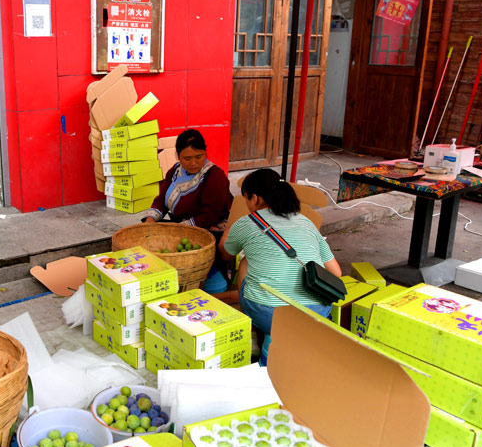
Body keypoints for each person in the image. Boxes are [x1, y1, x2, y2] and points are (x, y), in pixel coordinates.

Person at [221, 168, 340, 363]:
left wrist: (226, 234)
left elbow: (225, 254)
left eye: (246, 199)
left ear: (255, 198)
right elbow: (336, 272)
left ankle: (259, 337)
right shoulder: (307, 222)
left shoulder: (246, 223)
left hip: (267, 313)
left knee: (246, 260)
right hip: (317, 311)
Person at [143, 129, 233, 231]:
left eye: (199, 157)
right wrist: (150, 219)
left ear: (205, 153)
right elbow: (161, 200)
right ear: (178, 156)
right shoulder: (175, 170)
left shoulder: (215, 175)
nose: (193, 163)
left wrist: (178, 229)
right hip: (181, 226)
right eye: (187, 158)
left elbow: (210, 215)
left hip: (208, 228)